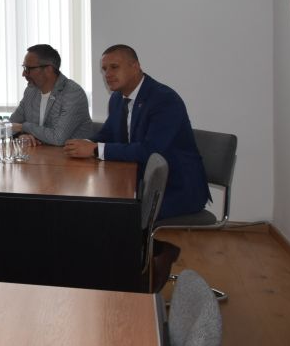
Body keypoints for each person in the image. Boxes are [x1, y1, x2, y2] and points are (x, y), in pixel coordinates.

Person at [63, 44, 210, 220]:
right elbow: (107, 134)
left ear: (135, 67)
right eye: (104, 69)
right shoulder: (117, 98)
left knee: (111, 213)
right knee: (87, 201)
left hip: (174, 188)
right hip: (136, 180)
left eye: (114, 67)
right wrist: (83, 144)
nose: (107, 74)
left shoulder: (164, 99)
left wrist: (95, 150)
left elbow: (151, 150)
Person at [8, 44, 92, 146]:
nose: (24, 74)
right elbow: (6, 127)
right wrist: (20, 135)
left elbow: (57, 138)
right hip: (40, 154)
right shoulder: (31, 91)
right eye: (24, 68)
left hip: (69, 155)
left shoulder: (73, 93)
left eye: (28, 69)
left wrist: (23, 127)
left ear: (48, 69)